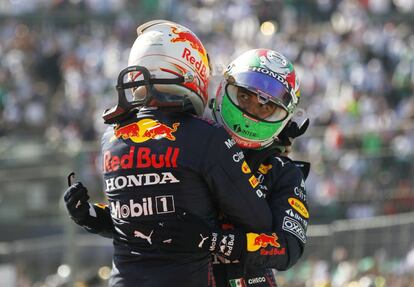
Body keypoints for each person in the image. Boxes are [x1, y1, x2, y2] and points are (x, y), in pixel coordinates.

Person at [63, 21, 273, 287]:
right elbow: (259, 220)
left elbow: (134, 226)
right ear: (190, 67)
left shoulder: (111, 139)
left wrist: (92, 217)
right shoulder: (205, 136)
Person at [153, 49, 310, 287]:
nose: (251, 112)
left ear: (285, 117)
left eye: (265, 107)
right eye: (245, 97)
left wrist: (212, 240)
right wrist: (100, 218)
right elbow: (147, 219)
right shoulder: (190, 144)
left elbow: (288, 247)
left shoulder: (283, 171)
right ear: (223, 90)